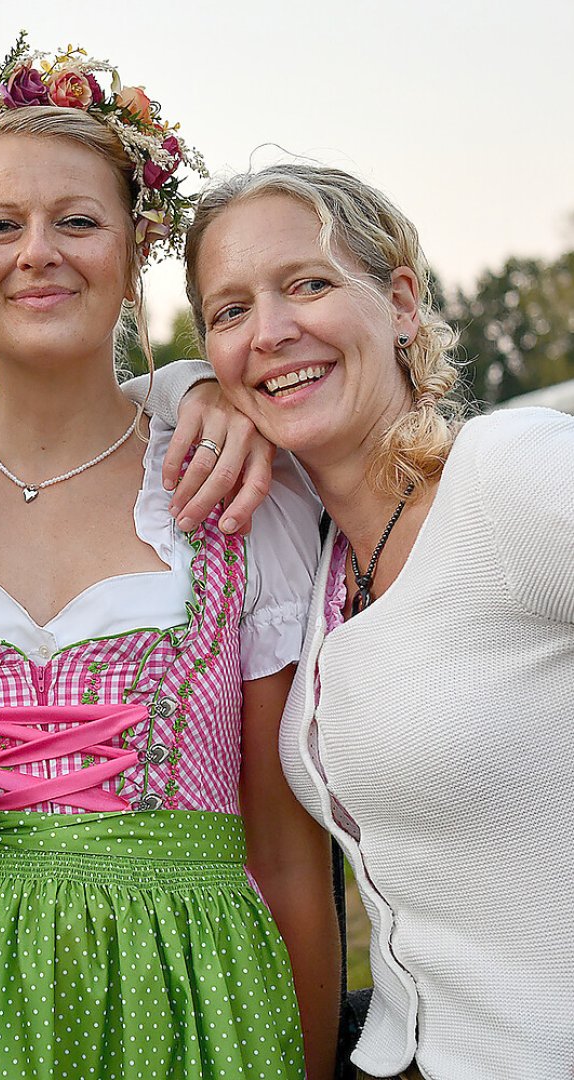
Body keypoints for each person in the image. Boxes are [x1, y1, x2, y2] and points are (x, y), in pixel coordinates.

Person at [0, 40, 337, 1079]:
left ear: (135, 243)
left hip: (194, 1009)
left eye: (76, 220)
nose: (37, 252)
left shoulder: (233, 489)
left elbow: (288, 861)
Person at [184, 164, 574, 1080]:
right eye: (229, 312)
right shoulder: (318, 558)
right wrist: (199, 389)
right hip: (399, 1056)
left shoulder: (508, 478)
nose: (272, 332)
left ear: (401, 302)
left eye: (308, 285)